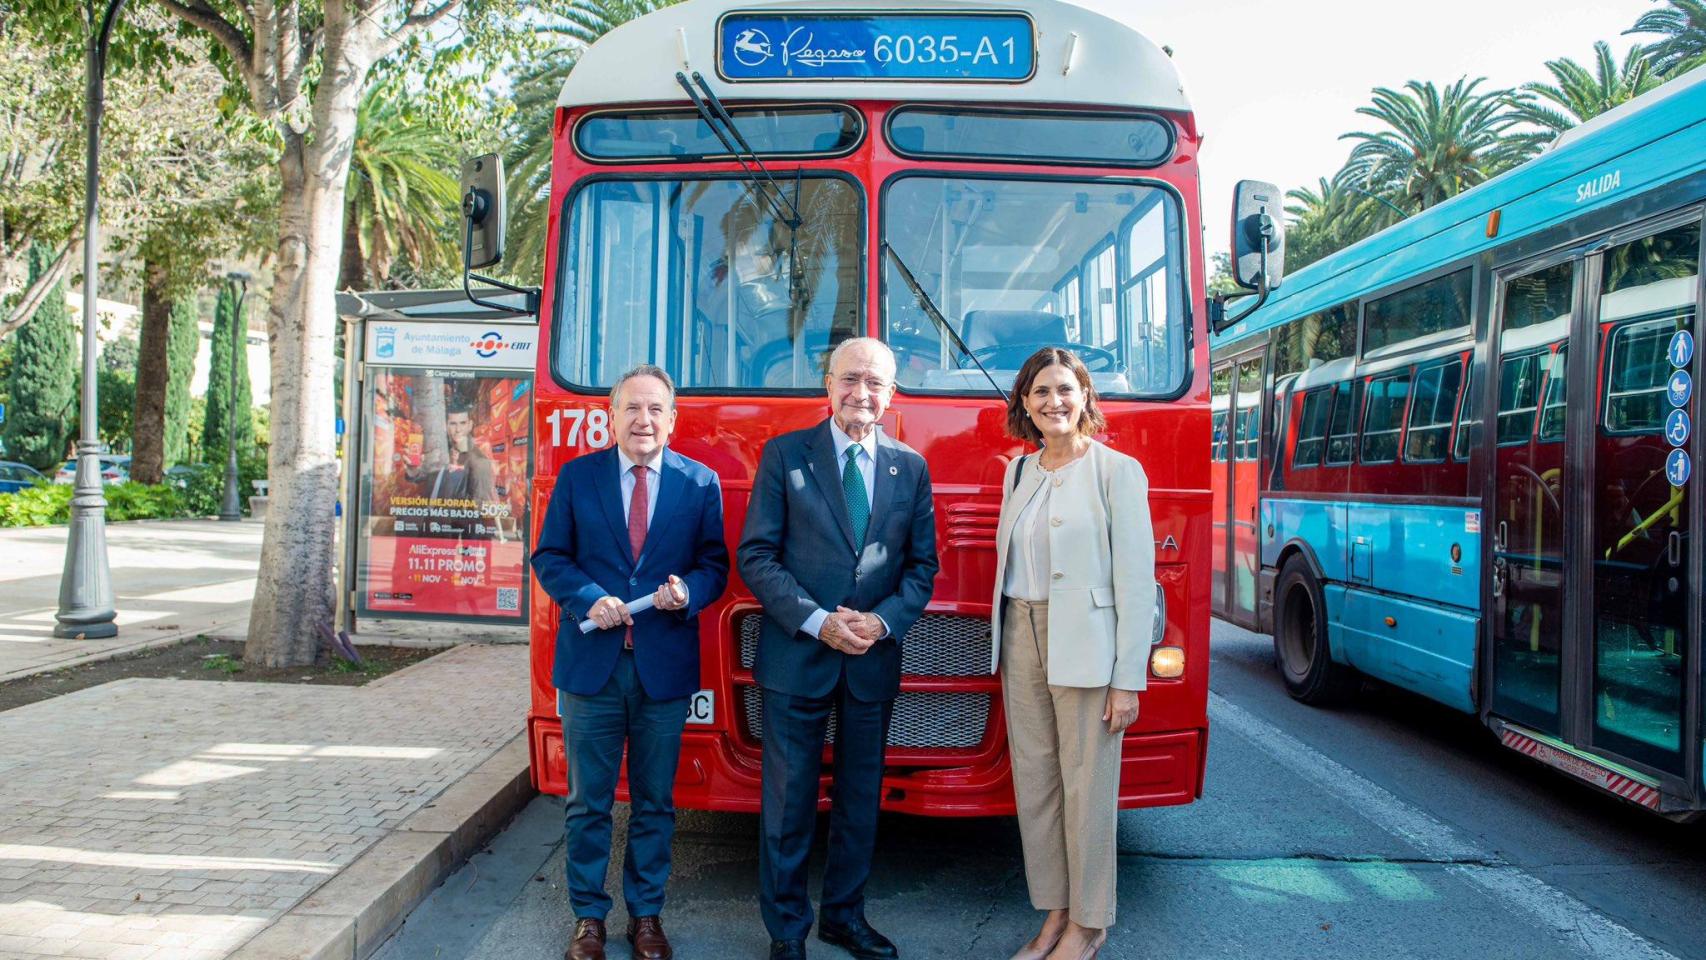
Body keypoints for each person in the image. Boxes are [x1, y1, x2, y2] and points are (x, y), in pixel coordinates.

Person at [738, 337, 939, 960]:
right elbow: (757, 557)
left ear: (891, 394)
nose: (862, 393)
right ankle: (788, 932)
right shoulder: (784, 456)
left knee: (859, 802)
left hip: (871, 663)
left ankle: (843, 918)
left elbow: (921, 569)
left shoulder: (911, 466)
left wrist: (881, 625)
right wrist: (818, 620)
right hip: (797, 657)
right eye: (851, 379)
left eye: (875, 383)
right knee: (788, 805)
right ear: (828, 386)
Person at [531, 364, 731, 960]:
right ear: (610, 417)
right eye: (632, 409)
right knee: (588, 802)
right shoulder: (577, 477)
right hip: (593, 667)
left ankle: (646, 916)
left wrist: (687, 591)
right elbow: (550, 557)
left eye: (655, 410)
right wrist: (592, 597)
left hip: (662, 670)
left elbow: (715, 565)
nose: (643, 420)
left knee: (654, 802)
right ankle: (588, 919)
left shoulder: (700, 484)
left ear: (672, 420)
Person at [991, 347, 1155, 960]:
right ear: (1024, 405)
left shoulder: (1117, 471)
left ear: (1085, 397)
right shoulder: (1018, 471)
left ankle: (1089, 926)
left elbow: (1136, 583)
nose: (1053, 402)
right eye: (1039, 392)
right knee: (1036, 784)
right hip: (1021, 634)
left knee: (1088, 785)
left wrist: (1127, 679)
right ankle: (1055, 916)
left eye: (1064, 389)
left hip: (1087, 643)